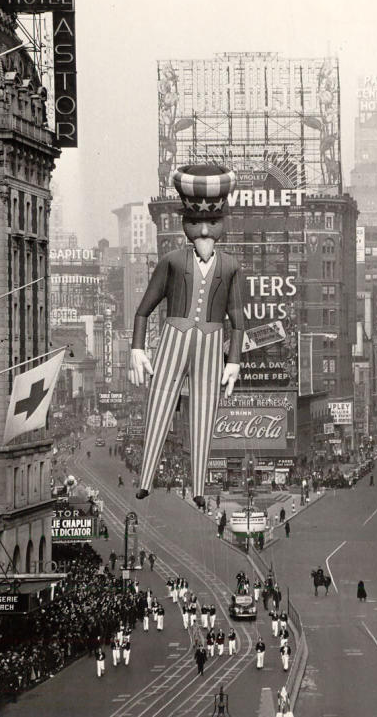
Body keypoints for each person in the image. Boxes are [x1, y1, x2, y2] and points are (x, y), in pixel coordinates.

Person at [129, 165, 243, 510]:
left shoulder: (231, 266)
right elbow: (143, 308)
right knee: (160, 401)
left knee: (206, 407)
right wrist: (136, 348)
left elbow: (238, 320)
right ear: (186, 222)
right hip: (174, 335)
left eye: (212, 222)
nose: (205, 230)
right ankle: (146, 477)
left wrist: (234, 360)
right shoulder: (172, 261)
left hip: (211, 340)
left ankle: (198, 485)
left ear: (222, 222)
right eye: (196, 222)